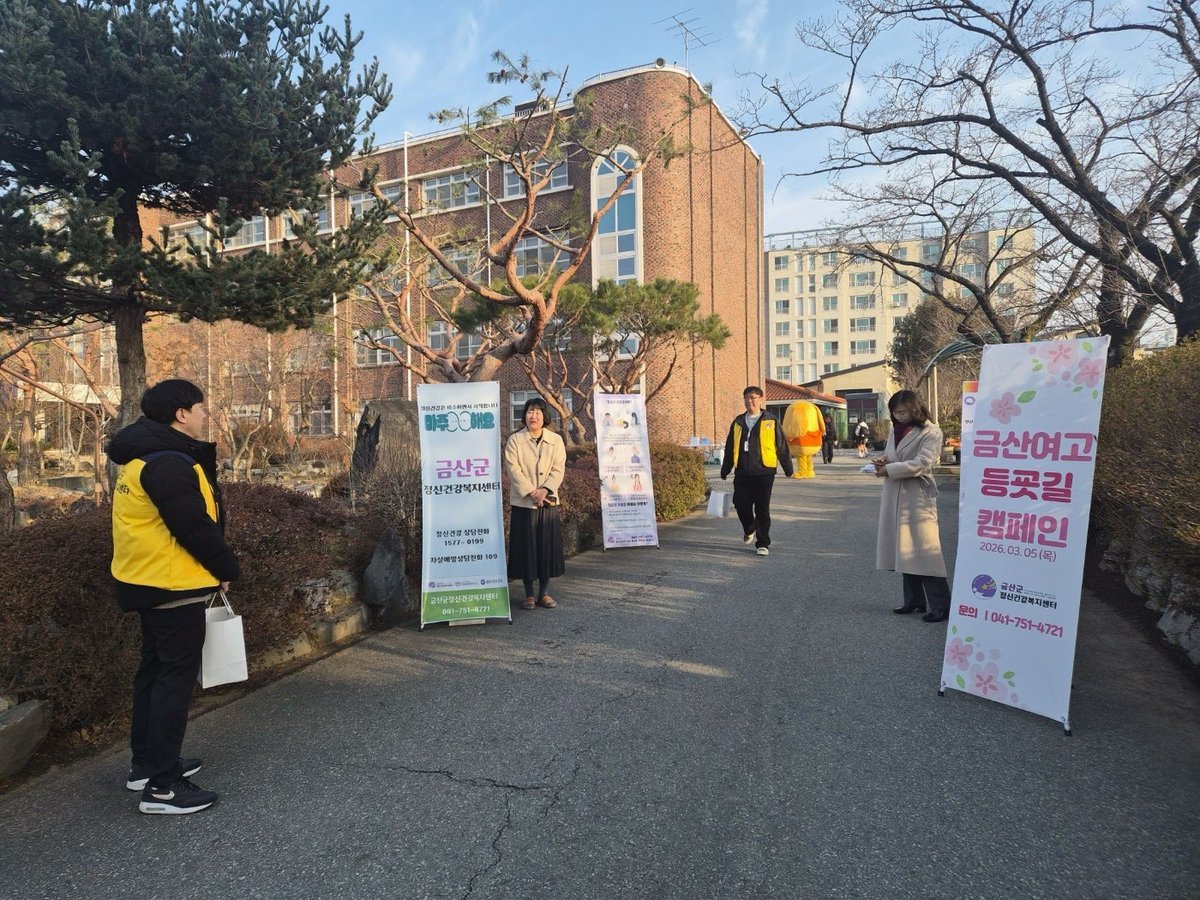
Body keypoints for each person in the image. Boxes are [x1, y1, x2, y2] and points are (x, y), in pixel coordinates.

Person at [108, 379, 239, 814]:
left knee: (154, 673)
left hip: (148, 580)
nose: (205, 416)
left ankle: (146, 766)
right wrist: (225, 568)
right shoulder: (167, 462)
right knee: (173, 682)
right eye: (201, 409)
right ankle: (163, 788)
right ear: (181, 414)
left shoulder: (143, 457)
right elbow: (193, 526)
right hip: (172, 584)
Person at [874, 390, 952, 623]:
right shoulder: (895, 430)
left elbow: (923, 463)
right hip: (895, 492)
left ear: (915, 409)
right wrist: (883, 461)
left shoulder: (931, 431)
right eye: (895, 412)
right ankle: (914, 600)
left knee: (925, 550)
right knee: (905, 548)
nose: (899, 416)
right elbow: (893, 455)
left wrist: (889, 469)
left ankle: (941, 605)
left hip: (917, 494)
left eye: (903, 412)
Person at [504, 396, 566, 610]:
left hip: (548, 501)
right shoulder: (515, 440)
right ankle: (529, 594)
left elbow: (558, 468)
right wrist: (532, 492)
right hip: (524, 503)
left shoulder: (556, 440)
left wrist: (544, 490)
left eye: (538, 412)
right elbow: (513, 470)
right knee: (526, 548)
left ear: (544, 416)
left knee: (546, 548)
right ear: (524, 415)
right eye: (530, 411)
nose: (534, 416)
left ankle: (544, 593)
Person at [720, 385, 793, 556]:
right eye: (746, 397)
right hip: (742, 471)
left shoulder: (771, 420)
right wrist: (725, 469)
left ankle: (763, 543)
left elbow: (781, 445)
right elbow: (730, 447)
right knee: (740, 503)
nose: (749, 401)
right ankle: (749, 527)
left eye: (753, 397)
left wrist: (788, 468)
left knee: (762, 508)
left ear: (760, 400)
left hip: (764, 471)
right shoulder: (738, 421)